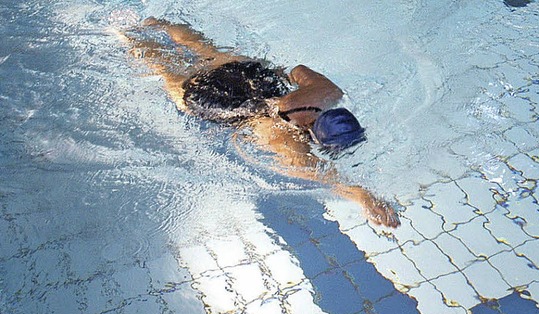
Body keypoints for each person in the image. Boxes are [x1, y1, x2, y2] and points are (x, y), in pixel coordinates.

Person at [119, 18, 399, 228]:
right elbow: (321, 175)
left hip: (251, 74)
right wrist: (362, 196)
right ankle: (123, 35)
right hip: (225, 102)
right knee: (167, 73)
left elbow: (298, 70)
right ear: (314, 138)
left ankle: (156, 23)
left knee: (202, 47)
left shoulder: (327, 93)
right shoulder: (283, 136)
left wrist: (286, 83)